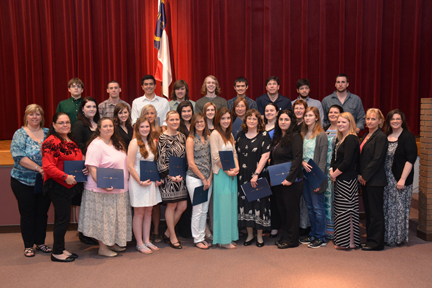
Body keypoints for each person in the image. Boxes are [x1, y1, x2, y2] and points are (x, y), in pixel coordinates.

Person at [78, 117, 132, 257]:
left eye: (111, 126)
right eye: (105, 126)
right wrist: (103, 184)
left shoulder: (117, 142)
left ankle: (111, 243)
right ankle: (103, 248)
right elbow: (92, 168)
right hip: (101, 190)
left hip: (119, 188)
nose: (109, 128)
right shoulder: (96, 145)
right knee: (104, 219)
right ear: (99, 129)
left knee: (113, 219)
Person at [42, 112, 86, 262]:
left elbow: (76, 160)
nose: (65, 125)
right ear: (54, 125)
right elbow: (48, 167)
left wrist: (83, 169)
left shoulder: (70, 140)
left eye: (67, 122)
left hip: (70, 185)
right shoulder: (50, 142)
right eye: (61, 123)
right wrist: (65, 177)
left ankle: (60, 248)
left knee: (64, 218)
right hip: (58, 185)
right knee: (62, 219)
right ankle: (56, 252)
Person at [10, 104, 51, 257]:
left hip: (45, 181)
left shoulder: (48, 133)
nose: (35, 117)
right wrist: (39, 169)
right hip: (22, 181)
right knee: (27, 213)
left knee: (42, 213)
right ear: (26, 116)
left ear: (42, 117)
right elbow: (19, 157)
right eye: (31, 114)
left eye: (38, 114)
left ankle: (40, 242)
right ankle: (28, 245)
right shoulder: (19, 134)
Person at [236, 109, 272, 247]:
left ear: (259, 121)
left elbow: (265, 156)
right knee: (245, 206)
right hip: (243, 176)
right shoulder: (240, 136)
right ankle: (250, 235)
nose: (251, 121)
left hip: (259, 175)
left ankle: (259, 236)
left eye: (254, 118)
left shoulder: (264, 135)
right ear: (245, 121)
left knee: (259, 205)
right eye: (249, 118)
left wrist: (256, 174)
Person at [127, 117, 163, 254]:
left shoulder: (152, 143)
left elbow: (154, 164)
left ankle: (147, 240)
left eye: (147, 127)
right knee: (139, 212)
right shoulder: (134, 143)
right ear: (137, 129)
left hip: (150, 182)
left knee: (149, 212)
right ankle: (139, 243)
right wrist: (139, 181)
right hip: (138, 183)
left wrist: (157, 179)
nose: (145, 129)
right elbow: (130, 166)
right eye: (142, 127)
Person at [383, 109, 417, 246]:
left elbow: (411, 159)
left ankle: (397, 237)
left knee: (399, 209)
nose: (395, 121)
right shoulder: (385, 136)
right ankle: (387, 236)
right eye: (392, 119)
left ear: (402, 121)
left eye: (398, 119)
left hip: (399, 179)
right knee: (387, 208)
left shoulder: (407, 137)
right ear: (388, 121)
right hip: (386, 179)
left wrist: (402, 179)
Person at [270, 110, 303, 249]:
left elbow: (297, 158)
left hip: (291, 181)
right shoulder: (278, 137)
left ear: (292, 121)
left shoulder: (295, 136)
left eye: (286, 119)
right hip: (278, 181)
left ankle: (292, 240)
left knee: (291, 211)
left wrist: (290, 178)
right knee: (282, 210)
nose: (283, 122)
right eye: (281, 119)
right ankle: (286, 236)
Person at [157, 111, 188, 249]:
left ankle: (167, 232)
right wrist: (170, 176)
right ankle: (173, 236)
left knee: (183, 206)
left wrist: (181, 174)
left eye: (177, 119)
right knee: (172, 206)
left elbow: (185, 157)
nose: (175, 122)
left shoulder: (182, 136)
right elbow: (161, 160)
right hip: (169, 178)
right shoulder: (162, 138)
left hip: (181, 176)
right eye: (172, 120)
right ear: (167, 121)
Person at [358, 108, 388, 251]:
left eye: (373, 119)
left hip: (374, 180)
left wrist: (365, 176)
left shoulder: (381, 136)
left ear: (380, 121)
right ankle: (370, 240)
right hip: (366, 180)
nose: (370, 121)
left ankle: (376, 243)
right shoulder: (366, 135)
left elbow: (377, 160)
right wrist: (360, 175)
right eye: (368, 119)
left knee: (375, 213)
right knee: (369, 212)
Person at [329, 112, 360, 249]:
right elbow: (335, 159)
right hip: (339, 178)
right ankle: (346, 241)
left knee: (347, 212)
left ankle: (349, 242)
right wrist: (331, 170)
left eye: (344, 122)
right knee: (342, 211)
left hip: (347, 180)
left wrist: (334, 174)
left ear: (350, 123)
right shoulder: (340, 138)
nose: (340, 124)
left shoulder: (351, 138)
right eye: (339, 122)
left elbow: (347, 162)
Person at [210, 107, 240, 248]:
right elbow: (215, 157)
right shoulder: (215, 134)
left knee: (231, 206)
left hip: (232, 173)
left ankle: (229, 236)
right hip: (222, 174)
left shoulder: (230, 135)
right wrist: (227, 171)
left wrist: (237, 167)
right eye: (223, 118)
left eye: (228, 118)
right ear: (218, 120)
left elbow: (234, 153)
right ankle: (223, 240)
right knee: (223, 206)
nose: (226, 121)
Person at [299, 107, 328, 248]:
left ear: (317, 117)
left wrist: (318, 180)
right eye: (306, 115)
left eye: (310, 115)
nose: (307, 118)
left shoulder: (321, 135)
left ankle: (321, 237)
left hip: (315, 176)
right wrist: (302, 162)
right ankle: (313, 234)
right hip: (304, 175)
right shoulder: (302, 133)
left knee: (317, 208)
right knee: (310, 207)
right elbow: (299, 154)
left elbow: (322, 161)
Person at [186, 113, 213, 249]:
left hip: (208, 179)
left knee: (205, 210)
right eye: (197, 123)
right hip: (195, 179)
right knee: (197, 209)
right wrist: (203, 178)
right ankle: (197, 238)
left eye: (202, 122)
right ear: (193, 124)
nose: (200, 124)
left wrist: (209, 178)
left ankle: (202, 236)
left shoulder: (208, 138)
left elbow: (211, 160)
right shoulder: (190, 139)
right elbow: (191, 163)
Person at [139, 104, 163, 242]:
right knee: (145, 204)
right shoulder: (140, 130)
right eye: (147, 113)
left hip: (158, 167)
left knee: (156, 203)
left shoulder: (160, 130)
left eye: (152, 113)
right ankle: (142, 234)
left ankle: (155, 231)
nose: (150, 116)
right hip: (145, 169)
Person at [323, 104, 344, 239]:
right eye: (331, 112)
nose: (332, 114)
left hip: (337, 170)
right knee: (326, 199)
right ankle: (327, 230)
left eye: (336, 112)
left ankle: (338, 230)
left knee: (337, 199)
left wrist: (335, 169)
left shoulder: (343, 131)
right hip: (324, 170)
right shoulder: (325, 130)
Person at [292, 99, 310, 234]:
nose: (298, 111)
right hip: (294, 165)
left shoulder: (308, 125)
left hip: (306, 165)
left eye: (301, 108)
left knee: (306, 200)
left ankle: (305, 228)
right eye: (296, 108)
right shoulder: (291, 125)